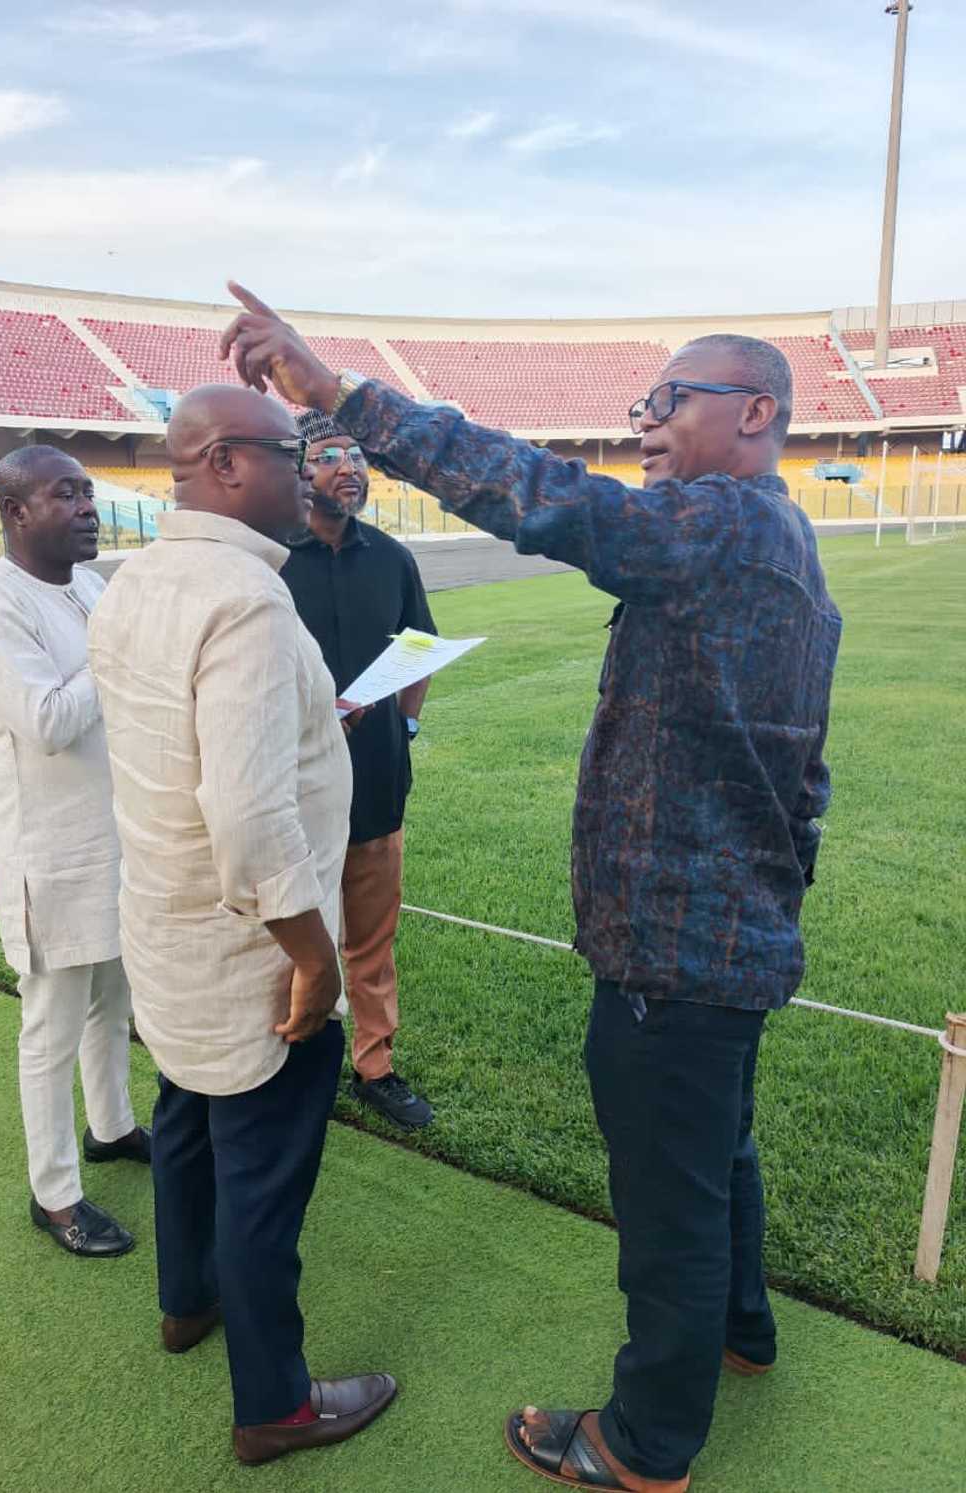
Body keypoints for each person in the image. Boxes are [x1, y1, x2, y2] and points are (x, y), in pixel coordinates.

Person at [219, 286, 842, 1493]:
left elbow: (547, 498)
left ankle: (645, 1440)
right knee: (719, 1154)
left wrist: (341, 395)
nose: (647, 424)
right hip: (734, 932)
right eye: (644, 403)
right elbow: (804, 773)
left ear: (755, 414)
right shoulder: (780, 541)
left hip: (675, 943)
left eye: (671, 402)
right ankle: (741, 1329)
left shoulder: (719, 523)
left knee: (667, 1199)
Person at [87, 384, 396, 1466]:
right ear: (224, 461)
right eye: (291, 452)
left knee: (182, 1121)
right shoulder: (248, 602)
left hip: (166, 929)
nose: (310, 471)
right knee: (260, 1180)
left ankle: (185, 1301)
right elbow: (250, 809)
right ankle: (274, 1402)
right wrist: (314, 961)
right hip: (251, 949)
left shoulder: (134, 578)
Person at [0, 445, 148, 1261]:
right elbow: (50, 721)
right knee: (52, 1024)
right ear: (16, 510)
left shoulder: (92, 589)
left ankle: (113, 1128)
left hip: (116, 841)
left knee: (115, 1003)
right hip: (51, 854)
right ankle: (55, 1193)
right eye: (66, 494)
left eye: (90, 492)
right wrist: (117, 651)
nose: (88, 507)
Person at [281, 409, 436, 1131]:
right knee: (291, 931)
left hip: (377, 778)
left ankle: (374, 1065)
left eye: (356, 454)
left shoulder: (393, 558)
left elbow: (420, 647)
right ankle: (288, 1061)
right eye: (329, 454)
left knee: (372, 937)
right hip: (293, 784)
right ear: (298, 470)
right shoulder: (271, 562)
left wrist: (404, 725)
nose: (349, 466)